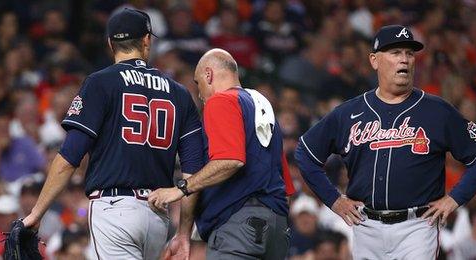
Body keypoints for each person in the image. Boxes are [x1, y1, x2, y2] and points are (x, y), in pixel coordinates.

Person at [294, 25, 476, 259]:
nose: (405, 60)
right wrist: (334, 200)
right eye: (396, 53)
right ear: (374, 60)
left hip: (417, 226)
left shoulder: (437, 111)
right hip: (365, 225)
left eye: (409, 54)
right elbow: (305, 153)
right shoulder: (349, 112)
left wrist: (454, 199)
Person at [20, 8, 205, 259]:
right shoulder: (180, 93)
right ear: (146, 40)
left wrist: (36, 213)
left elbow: (69, 157)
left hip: (114, 210)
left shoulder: (101, 82)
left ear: (110, 43)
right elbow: (192, 172)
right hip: (158, 217)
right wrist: (183, 233)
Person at [148, 48, 295, 259]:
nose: (199, 94)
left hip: (240, 227)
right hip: (277, 228)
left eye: (199, 84)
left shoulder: (221, 101)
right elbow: (286, 185)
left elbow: (231, 160)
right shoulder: (262, 105)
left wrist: (180, 189)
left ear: (208, 74)